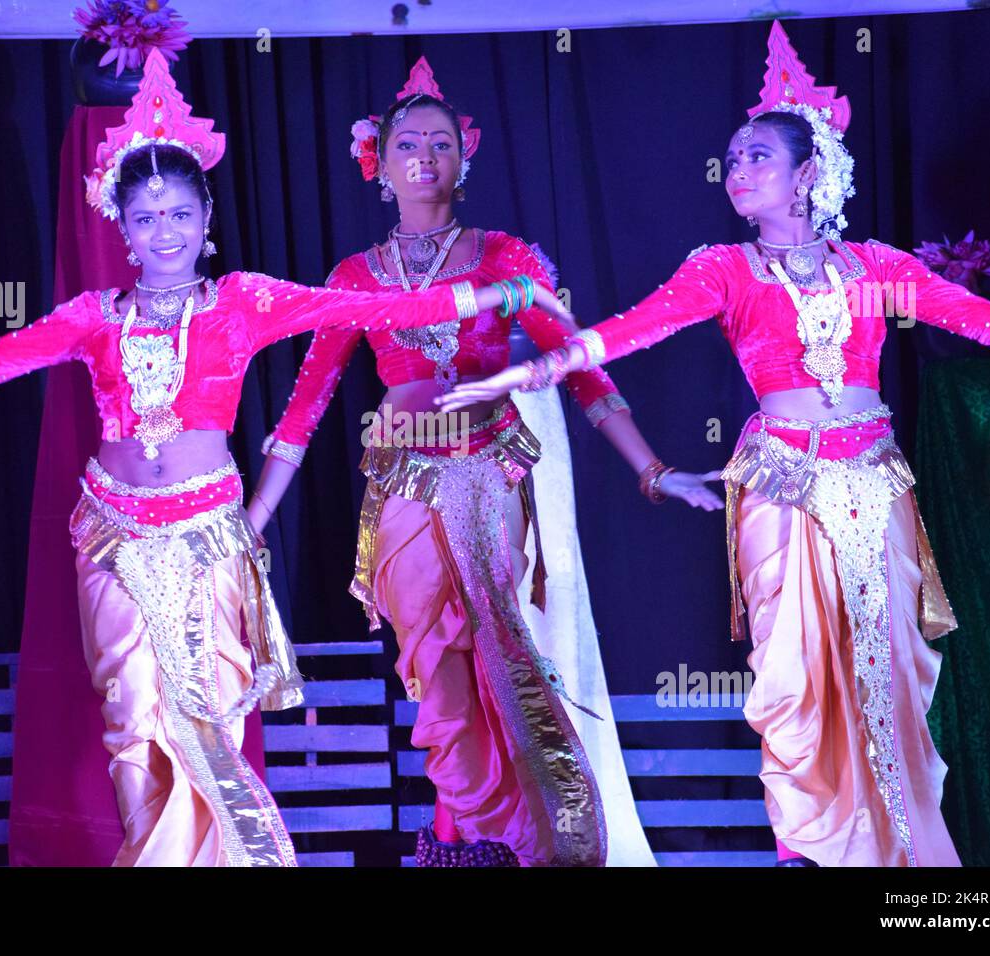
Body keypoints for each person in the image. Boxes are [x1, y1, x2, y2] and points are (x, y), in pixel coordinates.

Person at [0, 49, 537, 867]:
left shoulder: (244, 302)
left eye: (177, 215)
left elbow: (366, 302)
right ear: (122, 228)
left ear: (205, 221)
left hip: (205, 534)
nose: (162, 232)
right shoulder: (94, 317)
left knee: (205, 723)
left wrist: (490, 293)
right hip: (113, 536)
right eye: (145, 218)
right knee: (133, 725)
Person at [431, 21, 990, 866]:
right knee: (793, 682)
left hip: (873, 482)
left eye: (758, 156)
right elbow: (631, 329)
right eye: (732, 161)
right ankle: (804, 853)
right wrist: (535, 370)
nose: (738, 172)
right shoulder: (723, 271)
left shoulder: (878, 266)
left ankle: (905, 868)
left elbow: (979, 318)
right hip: (780, 484)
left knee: (890, 681)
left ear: (809, 175)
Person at [249, 59, 720, 867]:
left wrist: (654, 470)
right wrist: (253, 519)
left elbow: (581, 371)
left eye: (440, 142)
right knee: (432, 670)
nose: (424, 156)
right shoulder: (354, 279)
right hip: (401, 484)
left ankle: (523, 837)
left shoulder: (504, 256)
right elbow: (304, 406)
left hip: (487, 476)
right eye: (408, 143)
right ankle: (461, 836)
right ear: (379, 162)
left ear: (464, 158)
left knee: (498, 650)